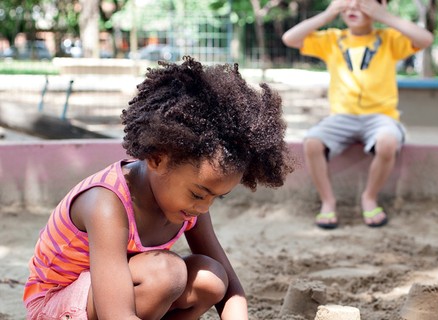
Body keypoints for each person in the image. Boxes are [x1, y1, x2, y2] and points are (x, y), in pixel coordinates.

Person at [23, 57, 294, 320]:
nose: (203, 207)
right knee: (166, 273)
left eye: (216, 198)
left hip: (116, 298)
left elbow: (231, 291)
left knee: (210, 278)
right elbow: (115, 313)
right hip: (56, 305)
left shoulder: (191, 206)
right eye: (198, 194)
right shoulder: (106, 203)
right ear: (157, 159)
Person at [282, 0, 433, 229]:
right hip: (341, 117)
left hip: (381, 117)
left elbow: (425, 39)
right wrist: (327, 14)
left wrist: (386, 17)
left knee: (387, 142)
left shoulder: (389, 39)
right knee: (312, 142)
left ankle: (369, 197)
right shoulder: (333, 39)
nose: (353, 7)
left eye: (362, 2)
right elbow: (290, 38)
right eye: (346, 2)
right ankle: (328, 202)